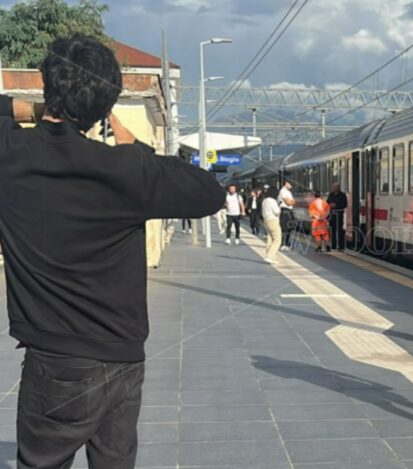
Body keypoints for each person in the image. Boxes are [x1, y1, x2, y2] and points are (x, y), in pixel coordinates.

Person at [0, 34, 224, 467]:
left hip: (53, 363)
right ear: (106, 105)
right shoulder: (128, 170)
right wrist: (137, 149)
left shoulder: (10, 154)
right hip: (121, 361)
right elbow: (209, 192)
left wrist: (37, 111)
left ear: (47, 86)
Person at [261, 186, 282, 264]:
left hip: (266, 221)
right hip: (273, 220)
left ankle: (270, 257)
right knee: (277, 240)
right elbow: (276, 211)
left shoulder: (264, 201)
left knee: (270, 239)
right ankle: (269, 256)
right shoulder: (272, 201)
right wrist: (279, 207)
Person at [326, 182, 348, 251]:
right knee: (332, 230)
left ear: (338, 187)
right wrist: (330, 204)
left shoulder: (342, 195)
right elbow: (327, 202)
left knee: (340, 231)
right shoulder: (331, 195)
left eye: (335, 187)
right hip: (332, 215)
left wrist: (336, 205)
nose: (334, 188)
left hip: (339, 215)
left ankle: (341, 246)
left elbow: (345, 204)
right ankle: (333, 245)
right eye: (333, 187)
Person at [278, 181, 295, 251]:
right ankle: (282, 244)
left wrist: (291, 202)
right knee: (284, 228)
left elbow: (293, 202)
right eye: (290, 184)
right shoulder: (282, 191)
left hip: (289, 211)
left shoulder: (288, 192)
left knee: (289, 228)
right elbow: (289, 203)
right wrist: (291, 202)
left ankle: (287, 244)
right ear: (286, 183)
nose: (291, 186)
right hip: (284, 211)